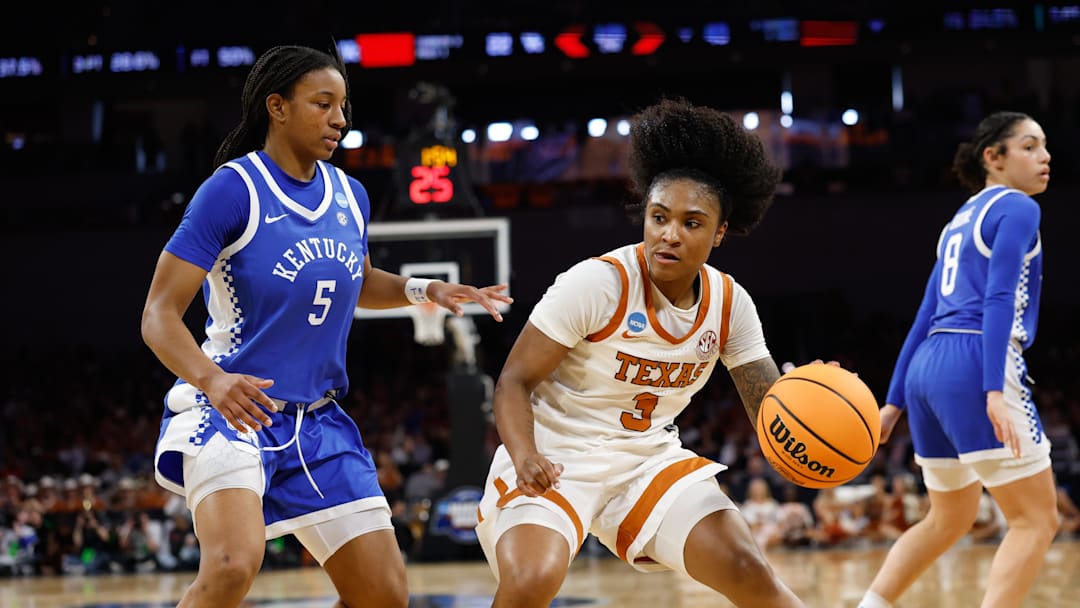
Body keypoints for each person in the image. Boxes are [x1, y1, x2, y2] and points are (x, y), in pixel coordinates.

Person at [141, 44, 510, 608]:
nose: (340, 119)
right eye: (323, 103)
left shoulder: (350, 195)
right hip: (234, 412)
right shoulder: (233, 189)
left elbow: (355, 280)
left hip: (318, 423)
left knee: (383, 595)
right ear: (277, 107)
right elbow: (159, 315)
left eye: (344, 106)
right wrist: (214, 381)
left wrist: (423, 290)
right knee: (232, 567)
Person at [474, 98, 804, 607]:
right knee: (531, 582)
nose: (669, 234)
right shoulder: (595, 284)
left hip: (644, 460)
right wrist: (525, 456)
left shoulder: (729, 303)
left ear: (719, 233)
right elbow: (513, 381)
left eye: (692, 223)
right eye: (658, 217)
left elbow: (769, 411)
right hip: (555, 454)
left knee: (748, 568)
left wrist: (811, 397)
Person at [859, 111, 1057, 608]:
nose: (1045, 156)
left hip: (929, 367)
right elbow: (996, 298)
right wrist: (993, 389)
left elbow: (925, 313)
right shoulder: (1016, 208)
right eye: (1030, 147)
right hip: (974, 360)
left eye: (1045, 147)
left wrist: (895, 402)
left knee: (949, 517)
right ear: (994, 157)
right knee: (1036, 520)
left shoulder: (959, 220)